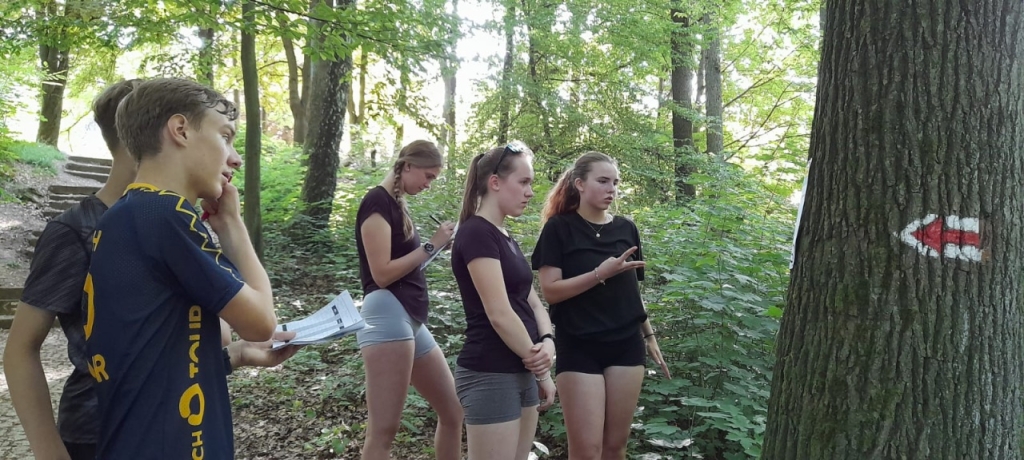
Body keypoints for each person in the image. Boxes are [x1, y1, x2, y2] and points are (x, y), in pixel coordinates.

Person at [84, 77, 279, 459]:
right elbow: (261, 323)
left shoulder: (124, 216)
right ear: (180, 130)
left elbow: (158, 353)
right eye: (225, 136)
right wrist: (232, 226)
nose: (235, 158)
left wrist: (237, 356)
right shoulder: (166, 215)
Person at [3, 79, 140, 460]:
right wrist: (49, 450)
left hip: (179, 424)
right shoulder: (74, 230)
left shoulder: (183, 225)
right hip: (96, 434)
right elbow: (20, 349)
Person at [531, 151, 670, 460]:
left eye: (615, 183)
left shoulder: (626, 228)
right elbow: (551, 292)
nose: (612, 189)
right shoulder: (559, 228)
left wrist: (649, 335)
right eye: (603, 181)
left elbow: (630, 291)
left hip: (626, 345)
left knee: (614, 447)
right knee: (586, 451)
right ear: (579, 184)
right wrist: (599, 274)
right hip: (579, 345)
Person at [354, 139, 463, 460]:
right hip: (386, 315)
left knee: (453, 411)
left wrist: (437, 247)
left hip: (410, 317)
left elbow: (406, 266)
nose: (429, 184)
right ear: (408, 165)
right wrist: (431, 244)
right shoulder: (376, 202)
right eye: (428, 176)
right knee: (383, 433)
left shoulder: (397, 203)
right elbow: (382, 274)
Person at [450, 141, 556, 460]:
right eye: (523, 182)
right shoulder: (476, 233)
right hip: (490, 373)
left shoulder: (505, 236)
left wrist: (548, 340)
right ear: (495, 182)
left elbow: (533, 302)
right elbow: (499, 313)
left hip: (521, 369)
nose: (530, 192)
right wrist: (541, 369)